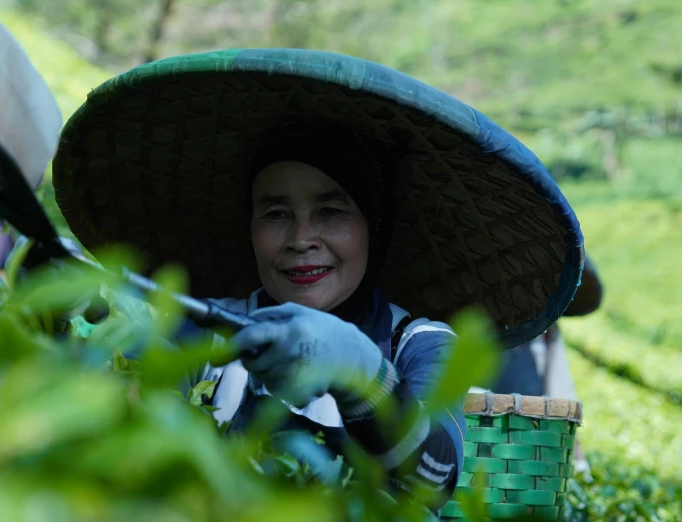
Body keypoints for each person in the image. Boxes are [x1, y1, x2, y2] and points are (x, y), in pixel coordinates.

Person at [50, 49, 584, 512]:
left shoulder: (416, 343)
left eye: (331, 212)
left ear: (374, 226)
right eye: (276, 213)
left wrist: (360, 371)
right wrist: (67, 311)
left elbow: (434, 476)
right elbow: (120, 395)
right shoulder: (210, 328)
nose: (301, 238)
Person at [482, 257, 603, 474]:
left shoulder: (548, 333)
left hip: (522, 453)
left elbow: (561, 396)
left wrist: (578, 461)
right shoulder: (475, 320)